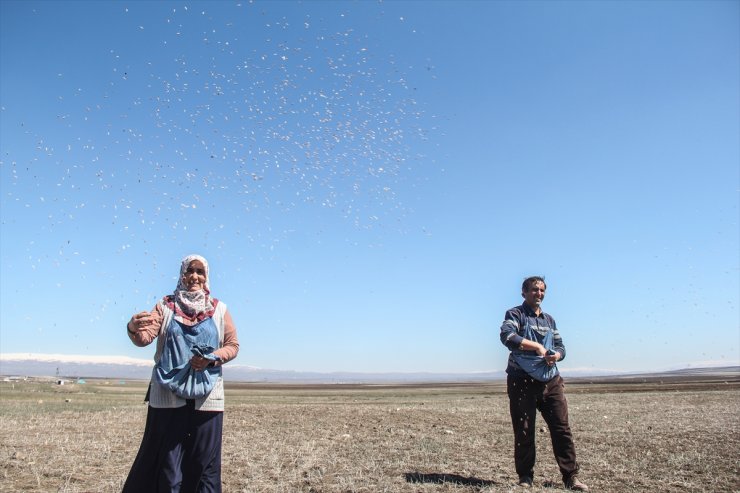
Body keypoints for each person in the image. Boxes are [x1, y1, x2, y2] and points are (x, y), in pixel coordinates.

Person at [123, 254, 239, 493]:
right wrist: (133, 328)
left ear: (206, 277)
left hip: (207, 399)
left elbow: (232, 345)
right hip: (167, 396)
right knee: (168, 466)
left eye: (200, 272)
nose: (194, 276)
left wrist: (212, 358)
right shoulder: (165, 306)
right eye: (189, 271)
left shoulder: (219, 309)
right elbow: (145, 338)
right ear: (181, 275)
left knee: (203, 464)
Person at [499, 276, 588, 491]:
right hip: (522, 381)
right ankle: (525, 478)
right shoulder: (515, 314)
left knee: (562, 428)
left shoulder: (549, 320)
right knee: (524, 430)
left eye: (541, 290)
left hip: (550, 380)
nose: (538, 294)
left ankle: (570, 477)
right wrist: (537, 347)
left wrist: (556, 355)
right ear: (524, 292)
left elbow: (561, 347)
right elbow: (507, 336)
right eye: (533, 290)